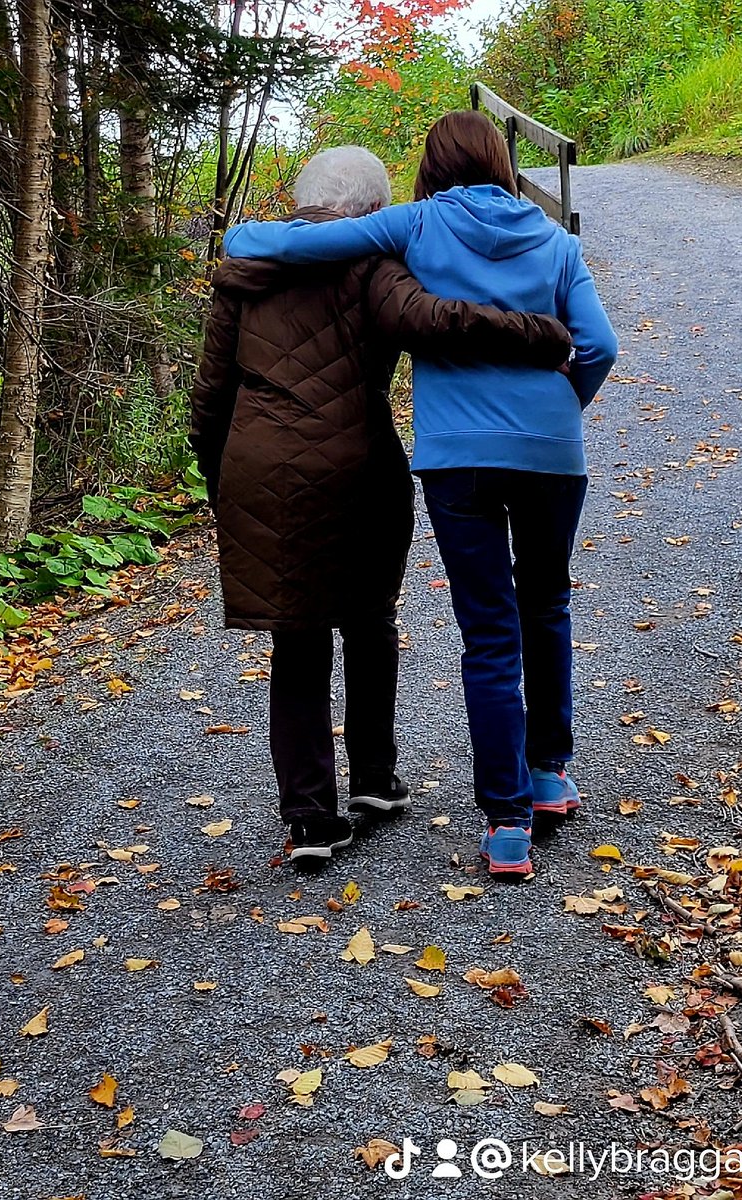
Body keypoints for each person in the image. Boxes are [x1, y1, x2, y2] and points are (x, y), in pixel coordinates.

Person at [222, 113, 619, 878]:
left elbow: (308, 243)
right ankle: (549, 778)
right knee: (548, 605)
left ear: (434, 168)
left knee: (490, 634)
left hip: (459, 456)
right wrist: (564, 408)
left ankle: (505, 826)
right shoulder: (556, 242)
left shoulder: (418, 225)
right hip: (552, 450)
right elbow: (599, 345)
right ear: (502, 161)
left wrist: (243, 239)